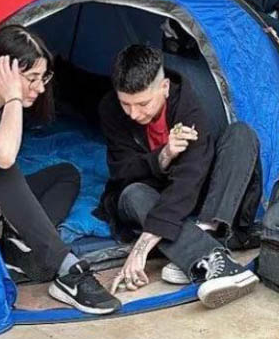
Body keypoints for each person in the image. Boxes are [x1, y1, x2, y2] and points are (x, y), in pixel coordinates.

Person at [0, 25, 120, 314]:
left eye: (44, 77)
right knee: (6, 165)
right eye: (32, 79)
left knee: (67, 173)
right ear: (2, 75)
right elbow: (1, 156)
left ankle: (24, 244)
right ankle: (67, 269)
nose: (40, 88)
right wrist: (14, 96)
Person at [98, 46, 262, 309]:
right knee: (132, 194)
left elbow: (191, 177)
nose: (134, 114)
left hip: (201, 201)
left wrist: (142, 247)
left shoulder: (189, 106)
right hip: (151, 193)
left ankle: (204, 240)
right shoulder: (111, 109)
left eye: (143, 104)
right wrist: (162, 156)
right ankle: (213, 258)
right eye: (125, 104)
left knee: (241, 134)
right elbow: (122, 170)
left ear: (164, 87)